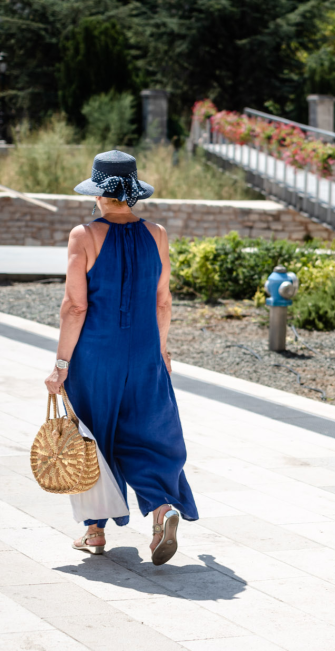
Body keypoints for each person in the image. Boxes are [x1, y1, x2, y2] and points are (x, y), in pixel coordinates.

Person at [43, 150, 198, 566]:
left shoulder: (85, 235)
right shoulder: (158, 234)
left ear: (98, 193)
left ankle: (94, 531)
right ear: (131, 193)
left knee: (93, 436)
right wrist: (162, 349)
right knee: (146, 433)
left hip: (96, 355)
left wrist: (60, 366)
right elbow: (162, 301)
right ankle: (163, 509)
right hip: (146, 351)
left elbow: (75, 307)